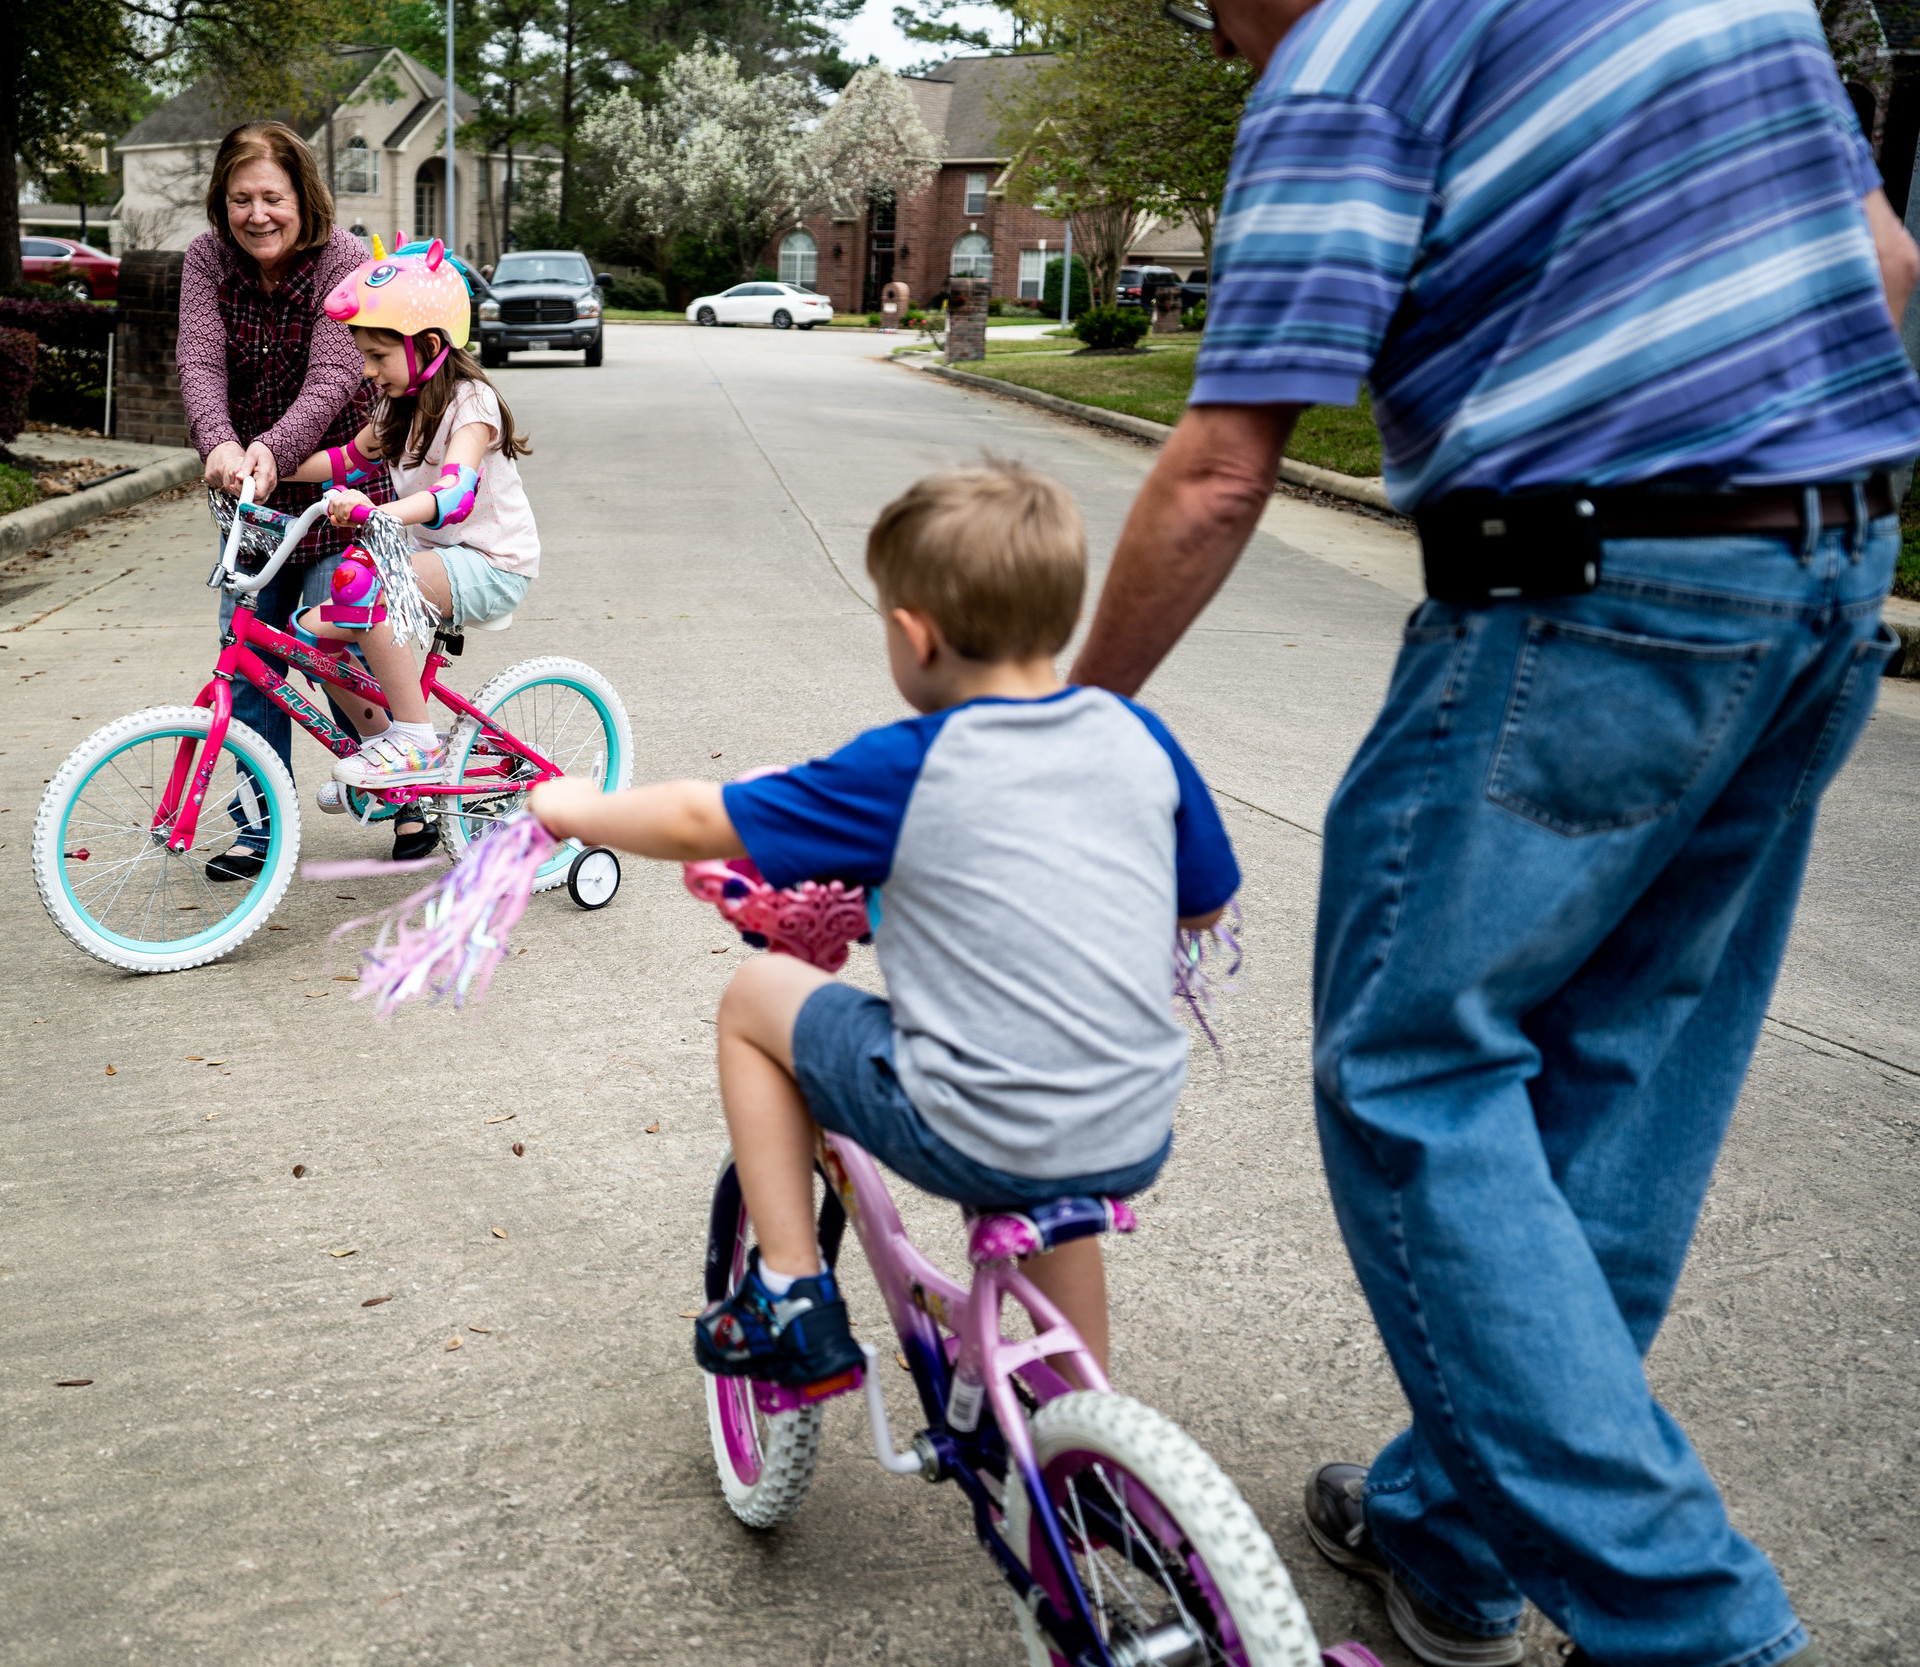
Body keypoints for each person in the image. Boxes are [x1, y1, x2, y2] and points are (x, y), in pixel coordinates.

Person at [1075, 3, 1920, 1664]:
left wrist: (1060, 719)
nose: (1232, 44)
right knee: (1619, 1064)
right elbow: (1885, 265)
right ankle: (1456, 1537)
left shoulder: (1345, 56)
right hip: (1826, 584)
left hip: (1590, 595)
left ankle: (1694, 1630)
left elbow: (1222, 468)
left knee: (1412, 1068)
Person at [528, 463, 1239, 1382]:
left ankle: (789, 1290)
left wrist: (578, 810)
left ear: (917, 636)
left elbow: (706, 819)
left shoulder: (909, 765)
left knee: (755, 1000)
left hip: (972, 1125)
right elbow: (1204, 903)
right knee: (1052, 1171)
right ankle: (1089, 1433)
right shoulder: (1137, 735)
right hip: (1130, 1123)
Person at [174, 120, 394, 879]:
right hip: (252, 502)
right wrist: (221, 446)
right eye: (241, 199)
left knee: (334, 648)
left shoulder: (343, 259)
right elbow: (199, 362)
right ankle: (261, 825)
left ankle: (401, 791)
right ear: (222, 202)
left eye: (273, 197)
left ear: (303, 196)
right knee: (250, 654)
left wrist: (272, 448)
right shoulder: (206, 261)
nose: (257, 214)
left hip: (337, 490)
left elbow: (334, 377)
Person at [281, 239, 538, 804]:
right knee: (311, 633)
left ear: (426, 345)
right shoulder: (396, 405)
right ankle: (383, 752)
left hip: (493, 563)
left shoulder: (471, 403)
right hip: (437, 561)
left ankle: (415, 740)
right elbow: (347, 458)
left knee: (363, 579)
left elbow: (456, 491)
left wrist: (380, 513)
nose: (368, 371)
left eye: (378, 356)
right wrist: (267, 469)